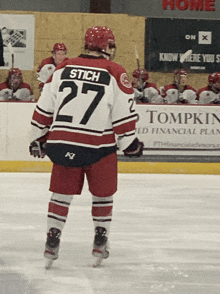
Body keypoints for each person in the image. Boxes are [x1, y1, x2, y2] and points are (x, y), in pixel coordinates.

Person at [29, 26, 143, 268]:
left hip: (61, 142)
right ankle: (100, 239)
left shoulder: (63, 68)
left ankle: (52, 237)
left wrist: (37, 136)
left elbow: (44, 106)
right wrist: (130, 143)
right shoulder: (115, 71)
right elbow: (122, 116)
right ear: (107, 46)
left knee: (61, 194)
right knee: (103, 194)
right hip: (98, 146)